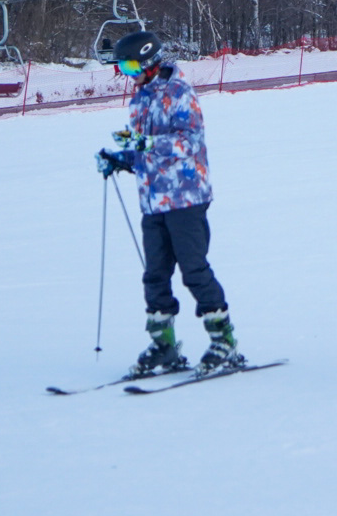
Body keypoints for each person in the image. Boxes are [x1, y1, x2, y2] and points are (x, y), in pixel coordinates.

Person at [95, 30, 238, 378]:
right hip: (152, 199)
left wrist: (145, 144)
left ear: (148, 62)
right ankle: (164, 346)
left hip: (186, 197)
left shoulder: (179, 93)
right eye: (122, 70)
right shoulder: (142, 97)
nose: (126, 76)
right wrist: (122, 158)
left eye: (130, 68)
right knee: (155, 275)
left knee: (194, 270)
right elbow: (145, 148)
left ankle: (224, 343)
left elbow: (189, 141)